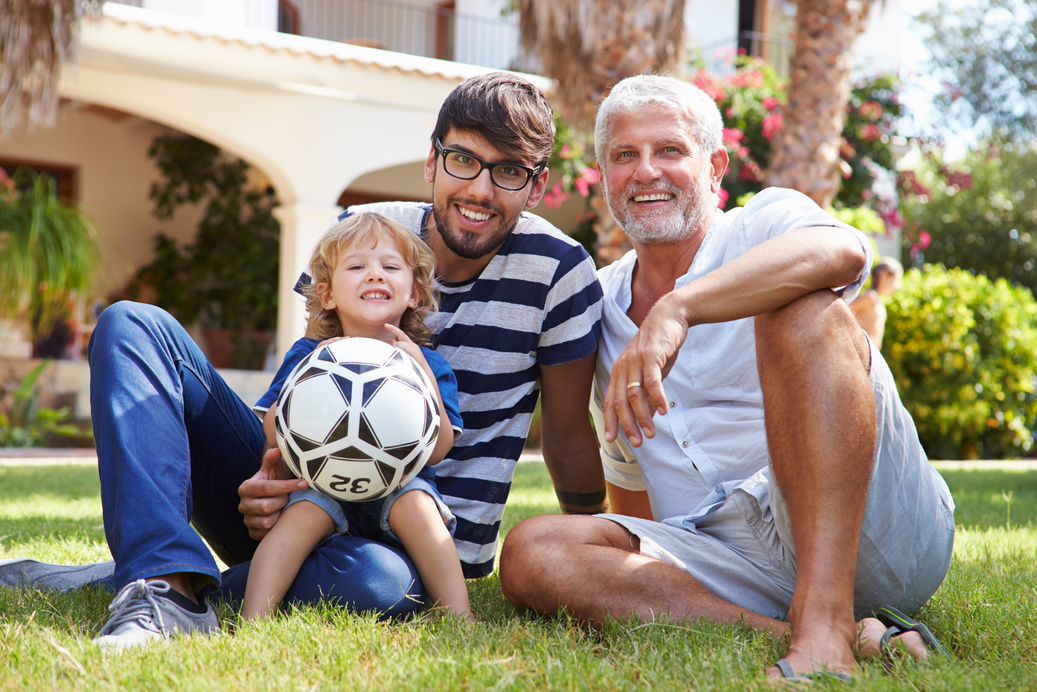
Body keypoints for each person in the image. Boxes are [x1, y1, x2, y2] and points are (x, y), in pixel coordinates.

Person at [0, 72, 605, 648]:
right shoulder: (365, 231)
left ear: (537, 184)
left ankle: (154, 577)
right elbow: (308, 377)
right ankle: (163, 582)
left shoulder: (560, 268)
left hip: (414, 543)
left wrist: (592, 544)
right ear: (432, 160)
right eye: (464, 160)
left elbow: (571, 435)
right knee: (134, 323)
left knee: (373, 586)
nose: (479, 188)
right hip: (301, 491)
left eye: (509, 172)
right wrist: (269, 474)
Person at [499, 75, 955, 682]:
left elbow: (844, 252)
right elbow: (630, 469)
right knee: (535, 551)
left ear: (714, 167)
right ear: (605, 176)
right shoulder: (596, 301)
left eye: (669, 151)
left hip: (876, 528)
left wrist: (678, 309)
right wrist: (619, 557)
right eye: (624, 156)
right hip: (727, 558)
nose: (645, 172)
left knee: (800, 309)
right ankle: (827, 635)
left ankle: (824, 628)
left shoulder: (764, 223)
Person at [241, 212, 470, 622]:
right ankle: (254, 617)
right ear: (327, 294)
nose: (374, 275)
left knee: (419, 506)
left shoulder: (427, 365)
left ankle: (460, 616)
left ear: (415, 293)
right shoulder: (306, 355)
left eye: (390, 266)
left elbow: (438, 450)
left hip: (400, 482)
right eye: (357, 266)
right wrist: (306, 382)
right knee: (297, 520)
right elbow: (273, 433)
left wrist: (422, 377)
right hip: (320, 480)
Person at [850, 256, 904, 346]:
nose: (897, 286)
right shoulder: (870, 297)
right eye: (896, 279)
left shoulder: (878, 300)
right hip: (860, 354)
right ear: (884, 275)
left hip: (871, 356)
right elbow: (842, 311)